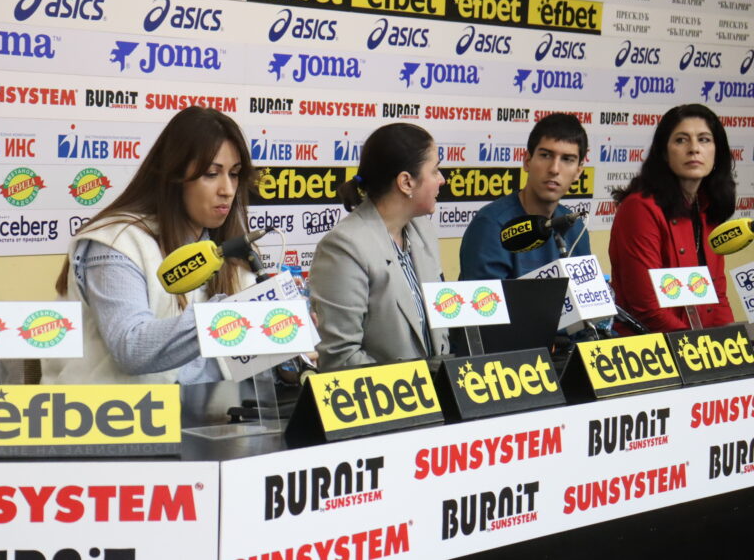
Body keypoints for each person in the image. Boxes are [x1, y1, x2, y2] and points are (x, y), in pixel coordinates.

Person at [41, 107, 257, 384]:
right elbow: (131, 348)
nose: (227, 189)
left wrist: (284, 347)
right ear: (174, 176)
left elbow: (221, 366)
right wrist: (225, 317)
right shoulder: (116, 243)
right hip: (101, 408)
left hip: (204, 407)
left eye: (234, 174)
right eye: (211, 174)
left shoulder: (227, 247)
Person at [309, 123, 449, 372]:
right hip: (387, 394)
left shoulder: (423, 231)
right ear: (406, 182)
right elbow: (340, 357)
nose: (442, 180)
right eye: (435, 170)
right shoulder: (344, 247)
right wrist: (420, 384)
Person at [609, 104, 736, 333]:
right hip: (652, 345)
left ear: (717, 152)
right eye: (681, 140)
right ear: (664, 153)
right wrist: (699, 345)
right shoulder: (640, 208)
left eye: (704, 139)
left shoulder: (708, 207)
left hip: (699, 345)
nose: (694, 149)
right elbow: (647, 309)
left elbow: (718, 297)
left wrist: (732, 342)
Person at [460, 113, 591, 280]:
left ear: (578, 171)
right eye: (546, 155)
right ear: (527, 161)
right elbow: (485, 296)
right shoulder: (491, 226)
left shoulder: (575, 227)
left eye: (567, 159)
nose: (554, 169)